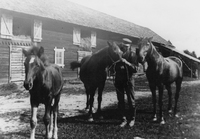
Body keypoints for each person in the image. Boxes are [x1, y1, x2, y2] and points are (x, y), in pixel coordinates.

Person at [114, 38, 138, 127]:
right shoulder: (117, 54)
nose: (125, 48)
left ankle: (132, 118)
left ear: (130, 46)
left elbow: (135, 69)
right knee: (120, 100)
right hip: (119, 80)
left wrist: (126, 63)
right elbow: (113, 66)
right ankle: (123, 119)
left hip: (129, 80)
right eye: (124, 46)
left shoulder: (133, 55)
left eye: (127, 46)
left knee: (131, 100)